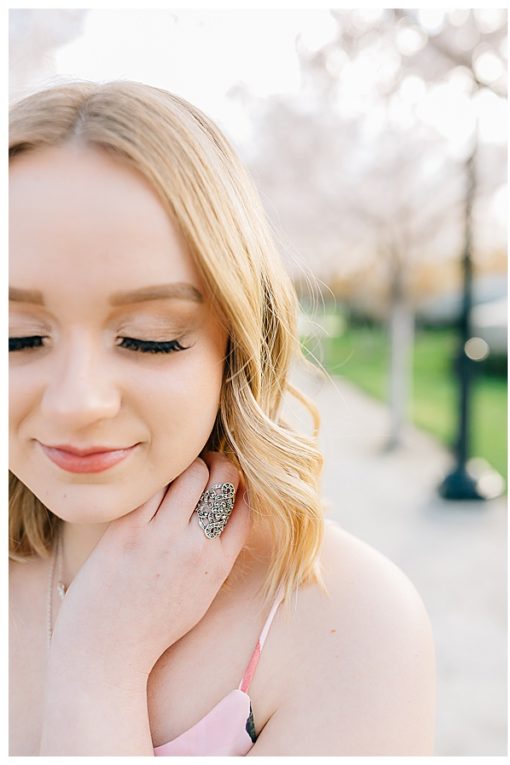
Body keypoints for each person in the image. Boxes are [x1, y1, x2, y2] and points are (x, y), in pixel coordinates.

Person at [8, 81, 435, 755]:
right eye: (18, 338)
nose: (76, 401)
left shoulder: (350, 621)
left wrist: (99, 667)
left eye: (149, 337)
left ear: (235, 341)